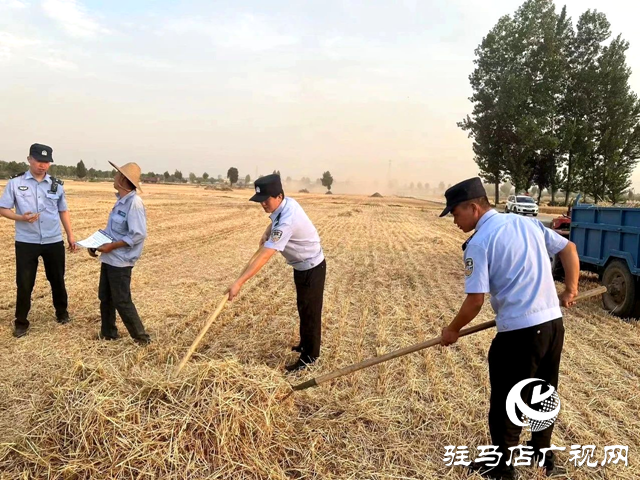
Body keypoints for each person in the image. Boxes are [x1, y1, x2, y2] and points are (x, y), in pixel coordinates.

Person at [439, 177, 580, 480]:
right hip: (553, 325)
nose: (454, 221)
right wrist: (570, 289)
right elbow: (569, 248)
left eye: (455, 213)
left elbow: (475, 301)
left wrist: (452, 330)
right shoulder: (525, 223)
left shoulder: (478, 243)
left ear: (473, 207)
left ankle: (502, 468)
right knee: (543, 392)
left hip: (521, 333)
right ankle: (543, 455)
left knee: (506, 399)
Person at [227, 174, 326, 372]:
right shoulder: (287, 204)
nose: (263, 204)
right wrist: (267, 230)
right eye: (260, 200)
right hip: (301, 266)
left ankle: (309, 358)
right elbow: (276, 220)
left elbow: (265, 255)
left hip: (311, 268)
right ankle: (305, 344)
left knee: (310, 313)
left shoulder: (287, 220)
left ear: (278, 196)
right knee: (303, 308)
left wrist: (240, 282)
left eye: (266, 199)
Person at [0, 143, 76, 338]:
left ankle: (62, 313)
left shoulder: (56, 184)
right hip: (27, 241)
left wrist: (70, 234)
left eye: (47, 162)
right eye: (39, 161)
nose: (43, 165)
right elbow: (3, 209)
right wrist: (21, 218)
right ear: (29, 159)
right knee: (25, 283)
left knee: (57, 279)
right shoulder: (15, 183)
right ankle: (21, 322)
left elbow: (63, 210)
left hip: (53, 240)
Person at [90, 161, 150, 345]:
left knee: (122, 300)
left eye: (117, 174)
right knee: (105, 297)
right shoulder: (121, 201)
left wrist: (112, 246)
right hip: (109, 258)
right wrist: (96, 243)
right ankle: (108, 333)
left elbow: (138, 234)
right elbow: (113, 230)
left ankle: (141, 338)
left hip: (121, 260)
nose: (114, 177)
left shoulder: (134, 204)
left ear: (123, 179)